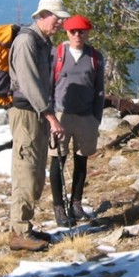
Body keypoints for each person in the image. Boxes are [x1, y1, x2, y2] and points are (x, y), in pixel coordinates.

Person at [7, 0, 69, 251]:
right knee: (26, 169)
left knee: (34, 170)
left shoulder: (42, 43)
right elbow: (30, 85)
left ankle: (25, 227)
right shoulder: (26, 42)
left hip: (37, 115)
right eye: (58, 18)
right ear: (43, 15)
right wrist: (51, 116)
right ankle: (19, 231)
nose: (60, 23)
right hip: (26, 114)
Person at [49, 14, 105, 227]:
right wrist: (50, 117)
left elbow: (99, 89)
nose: (77, 35)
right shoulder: (58, 54)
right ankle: (59, 208)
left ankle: (76, 204)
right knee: (58, 160)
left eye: (81, 31)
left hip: (86, 117)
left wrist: (95, 118)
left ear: (87, 32)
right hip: (61, 116)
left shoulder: (95, 57)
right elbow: (48, 87)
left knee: (81, 161)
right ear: (67, 32)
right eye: (73, 31)